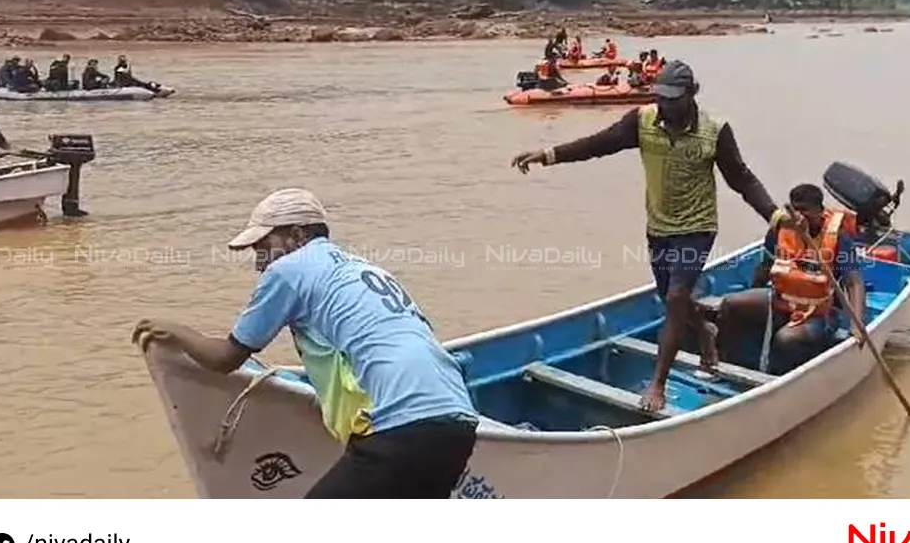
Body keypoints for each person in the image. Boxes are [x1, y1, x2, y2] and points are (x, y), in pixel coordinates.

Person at [131, 187, 479, 498]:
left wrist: (176, 331)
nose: (259, 264)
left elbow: (225, 358)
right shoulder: (362, 268)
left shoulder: (290, 270)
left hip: (403, 426)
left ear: (297, 235)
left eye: (263, 249)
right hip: (458, 424)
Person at [510, 61, 790, 411]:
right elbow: (598, 144)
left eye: (673, 99)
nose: (665, 105)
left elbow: (742, 179)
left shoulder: (714, 130)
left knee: (675, 297)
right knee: (669, 296)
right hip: (659, 227)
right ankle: (706, 337)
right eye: (661, 97)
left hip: (697, 228)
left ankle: (658, 383)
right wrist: (548, 155)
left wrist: (775, 215)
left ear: (691, 95)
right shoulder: (642, 122)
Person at [714, 184, 867, 375]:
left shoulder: (839, 239)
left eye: (805, 211)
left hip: (819, 312)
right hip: (782, 301)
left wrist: (857, 325)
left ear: (820, 211)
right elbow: (764, 269)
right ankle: (724, 365)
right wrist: (753, 297)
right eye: (796, 210)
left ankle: (776, 378)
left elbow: (854, 282)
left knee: (785, 339)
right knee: (730, 304)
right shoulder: (781, 231)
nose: (800, 217)